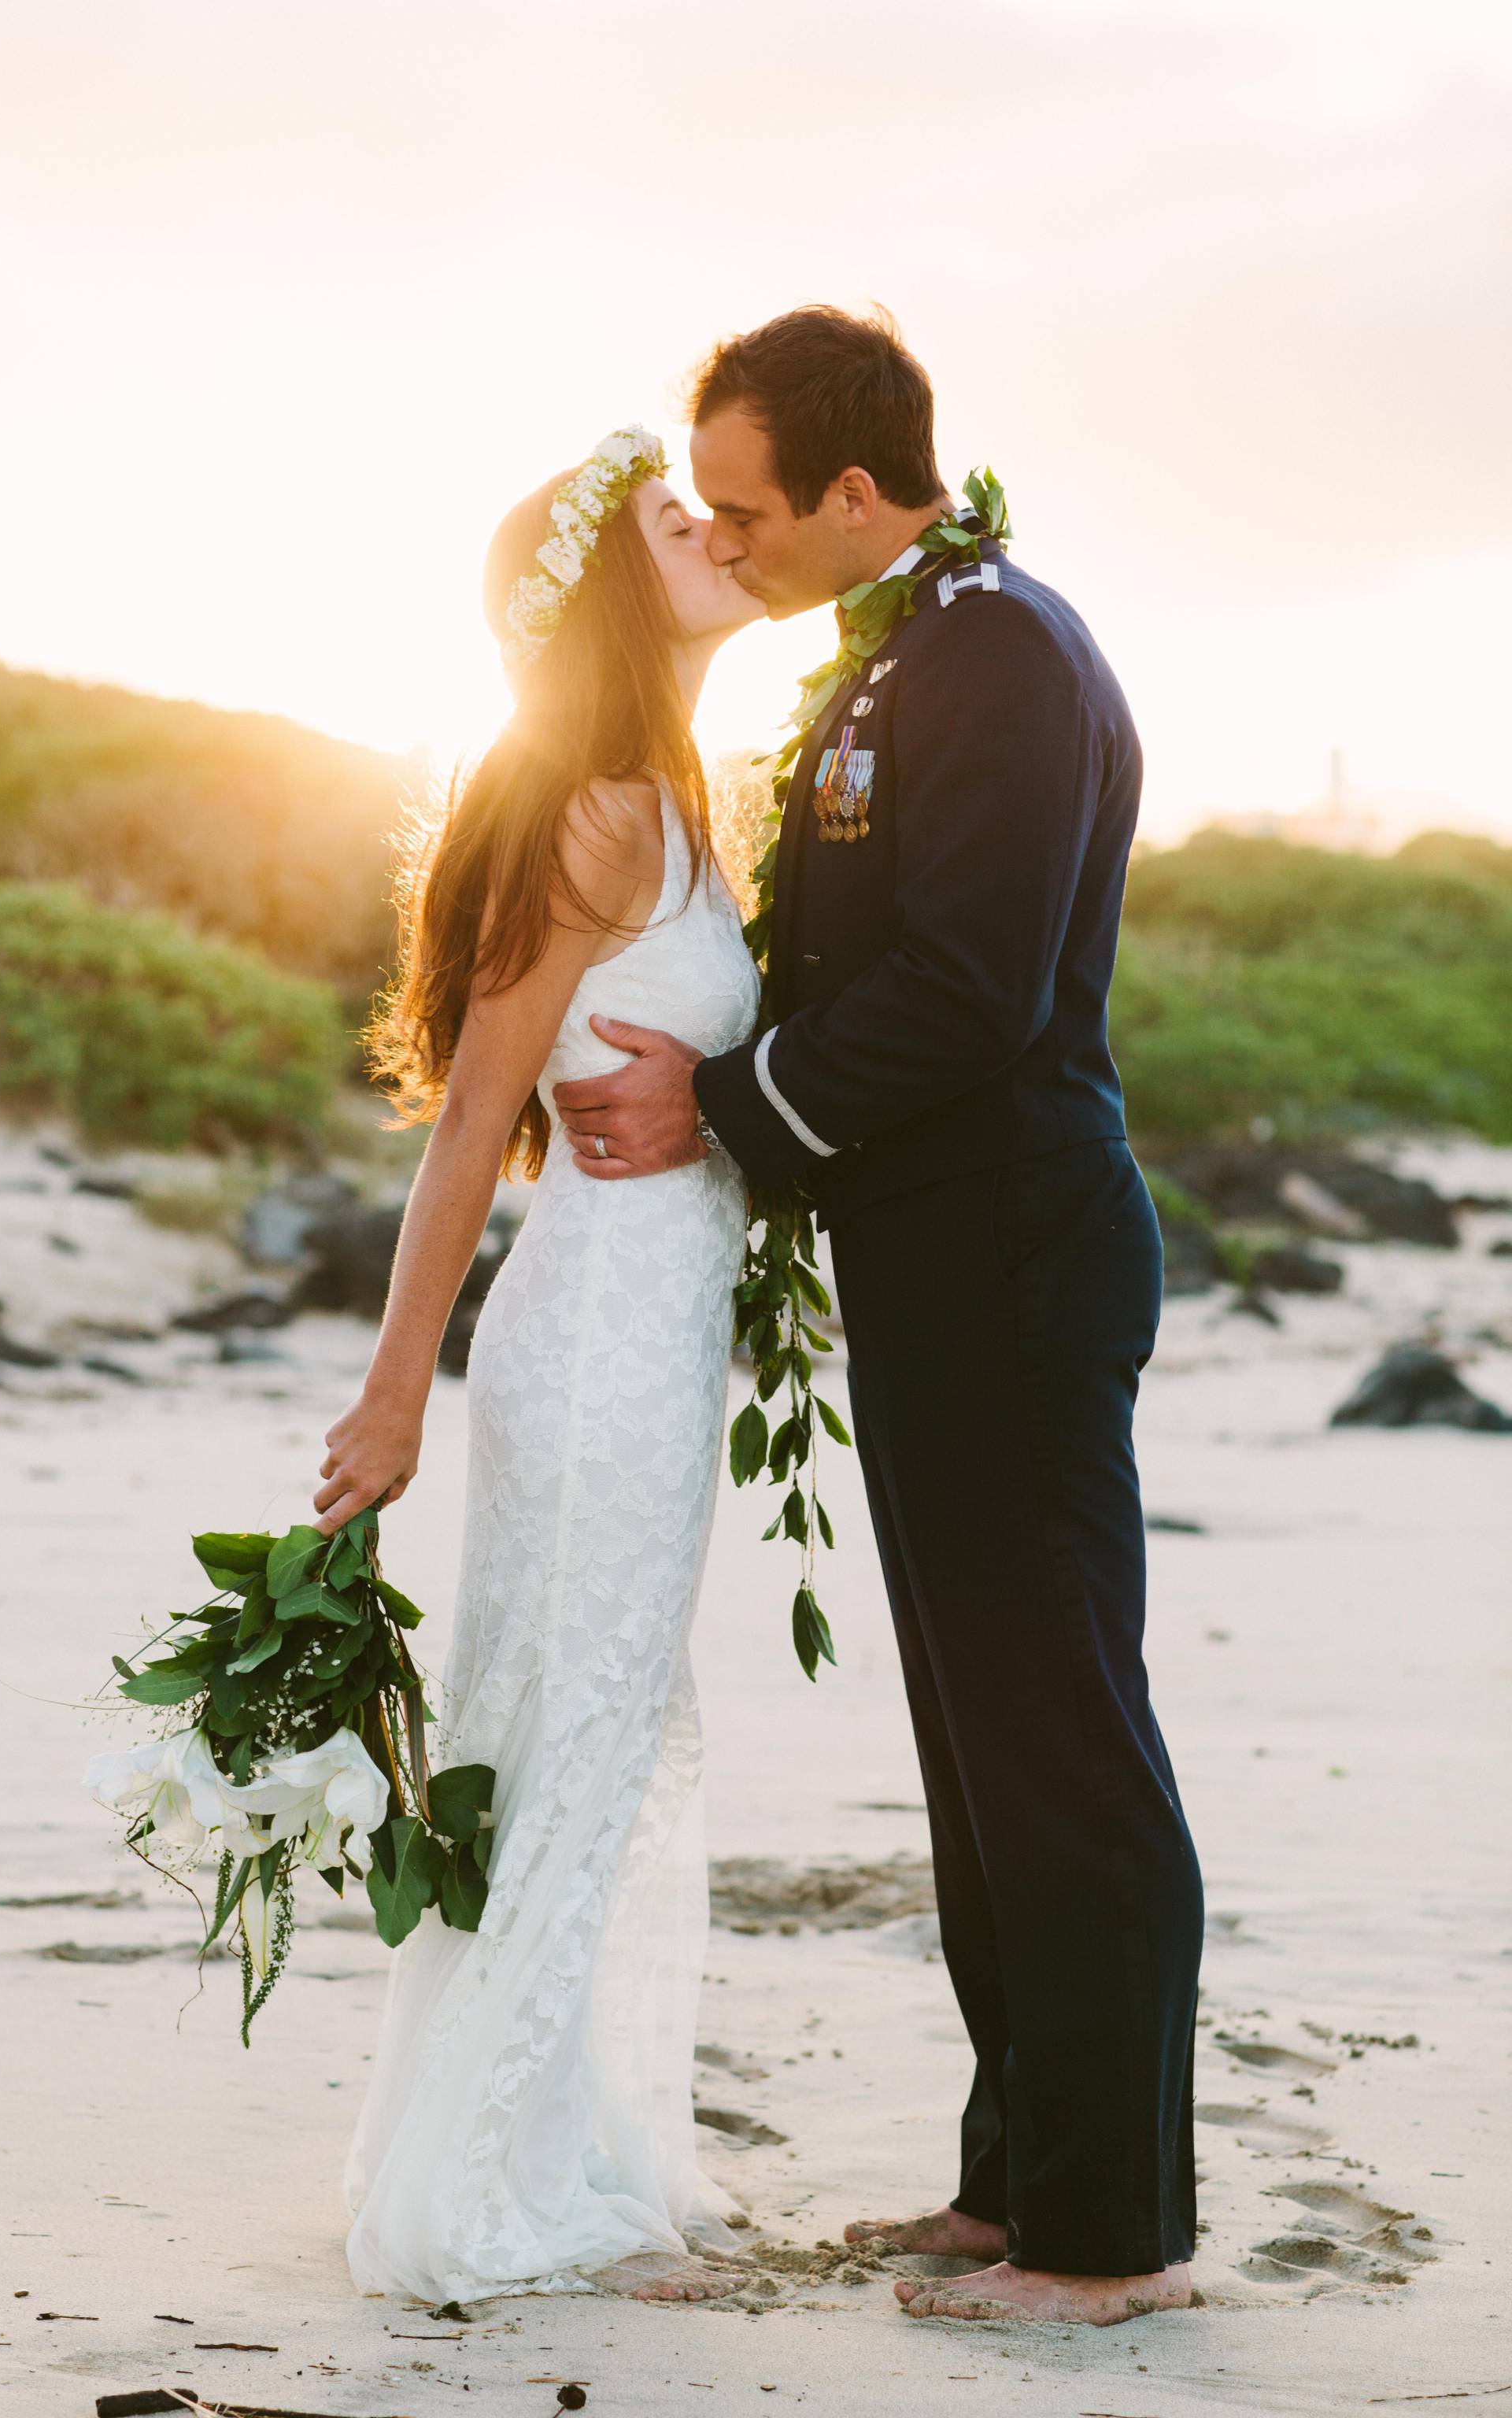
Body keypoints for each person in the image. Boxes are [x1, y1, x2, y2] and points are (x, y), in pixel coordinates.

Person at [551, 309, 1206, 2329]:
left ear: (855, 489)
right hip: (934, 1259)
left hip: (1016, 1253)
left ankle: (1110, 2241)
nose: (724, 541)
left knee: (1058, 1736)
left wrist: (718, 1108)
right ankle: (1015, 2183)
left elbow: (973, 986)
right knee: (974, 1732)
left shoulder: (1000, 648)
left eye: (745, 507)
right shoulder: (905, 647)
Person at [314, 427, 765, 2305]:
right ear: (605, 591)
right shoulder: (595, 807)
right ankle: (484, 2196)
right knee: (569, 1741)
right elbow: (470, 1124)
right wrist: (393, 1390)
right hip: (594, 1348)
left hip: (653, 1334)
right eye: (679, 522)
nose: (717, 535)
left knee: (589, 1730)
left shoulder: (666, 796)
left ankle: (543, 2143)